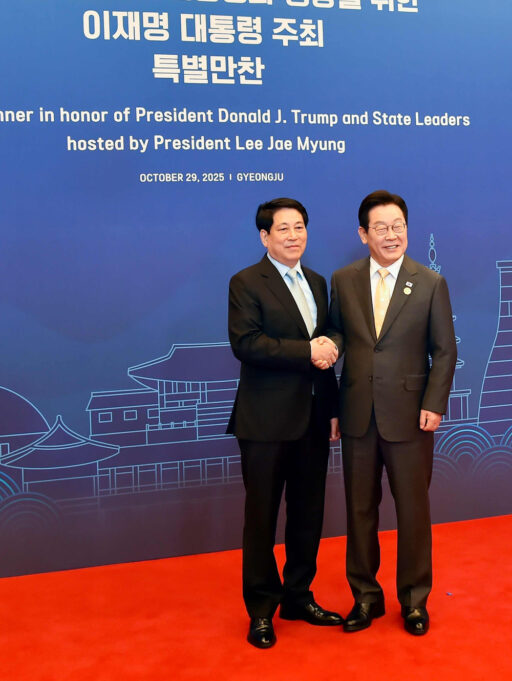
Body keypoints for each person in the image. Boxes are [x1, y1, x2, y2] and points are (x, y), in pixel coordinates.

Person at [327, 190, 457, 636]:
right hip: (357, 414)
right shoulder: (344, 280)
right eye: (380, 227)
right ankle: (365, 597)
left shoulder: (430, 283)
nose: (391, 235)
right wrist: (327, 349)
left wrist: (434, 403)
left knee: (413, 512)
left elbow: (445, 350)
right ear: (363, 234)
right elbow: (337, 335)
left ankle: (415, 600)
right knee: (359, 510)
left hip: (410, 416)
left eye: (397, 225)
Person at [227, 197, 344, 649]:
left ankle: (298, 596)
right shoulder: (245, 282)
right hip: (265, 421)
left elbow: (329, 335)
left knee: (307, 515)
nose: (294, 236)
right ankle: (261, 609)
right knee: (261, 519)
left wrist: (331, 404)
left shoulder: (316, 281)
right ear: (265, 236)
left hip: (313, 418)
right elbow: (247, 343)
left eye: (300, 227)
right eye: (284, 229)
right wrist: (308, 350)